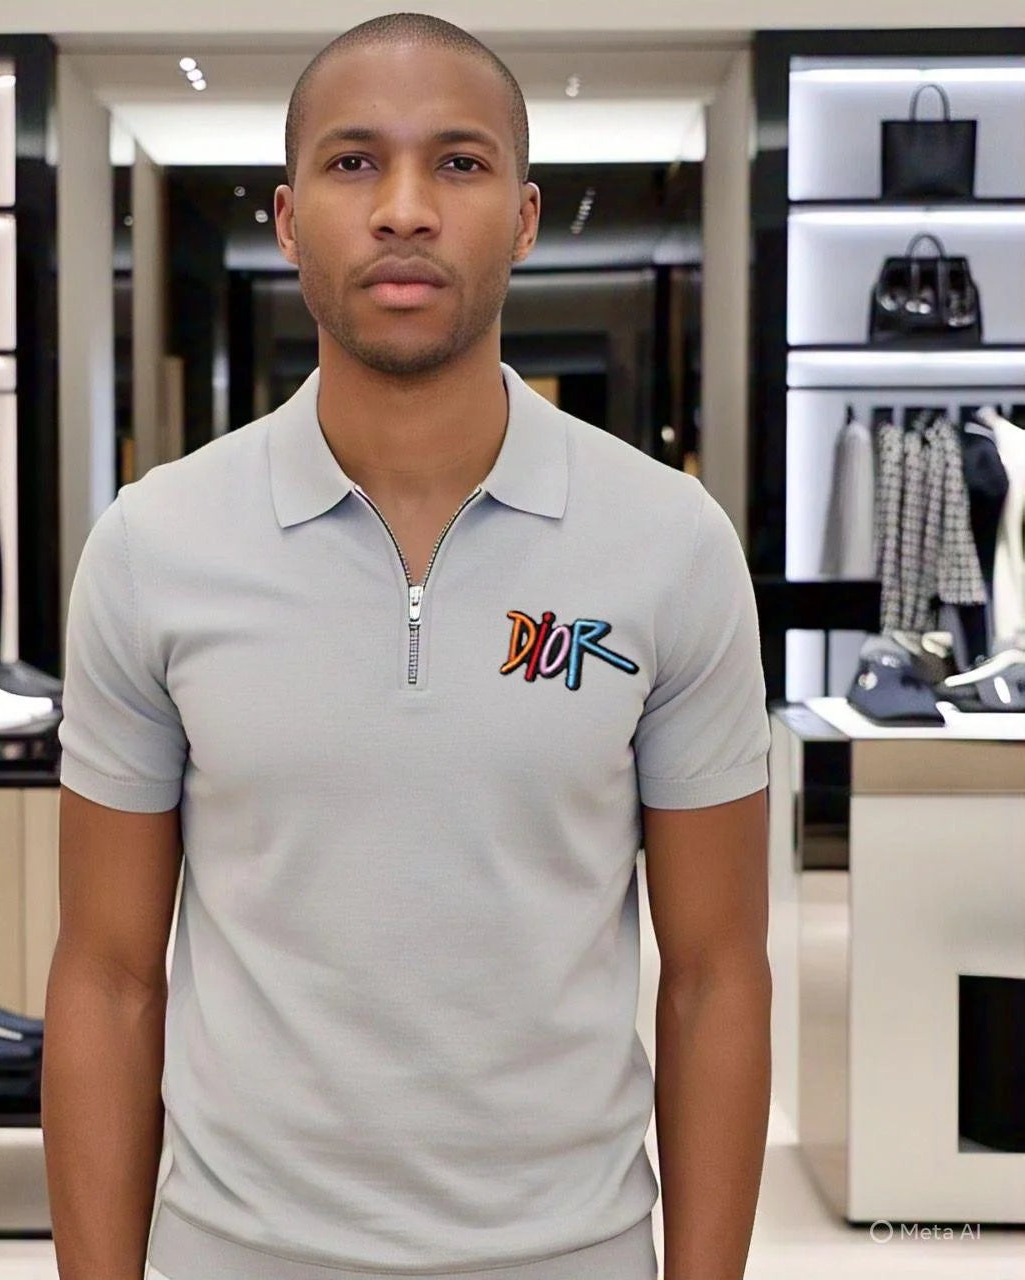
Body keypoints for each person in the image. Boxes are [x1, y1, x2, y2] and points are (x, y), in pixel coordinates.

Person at [43, 13, 772, 1280]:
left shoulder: (670, 544)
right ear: (286, 219)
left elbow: (714, 975)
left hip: (570, 1249)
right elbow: (108, 977)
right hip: (236, 1250)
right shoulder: (154, 544)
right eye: (352, 162)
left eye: (457, 162)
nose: (403, 209)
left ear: (525, 218)